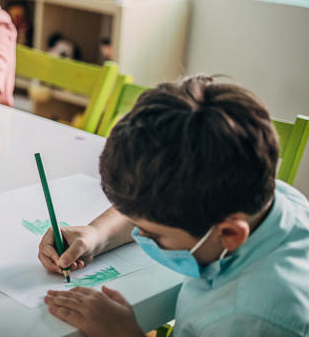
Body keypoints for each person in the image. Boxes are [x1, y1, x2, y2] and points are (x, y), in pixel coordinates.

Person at [38, 76, 309, 337]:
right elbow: (154, 208)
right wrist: (96, 234)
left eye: (153, 235)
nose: (139, 236)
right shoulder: (260, 195)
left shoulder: (251, 320)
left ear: (229, 234)